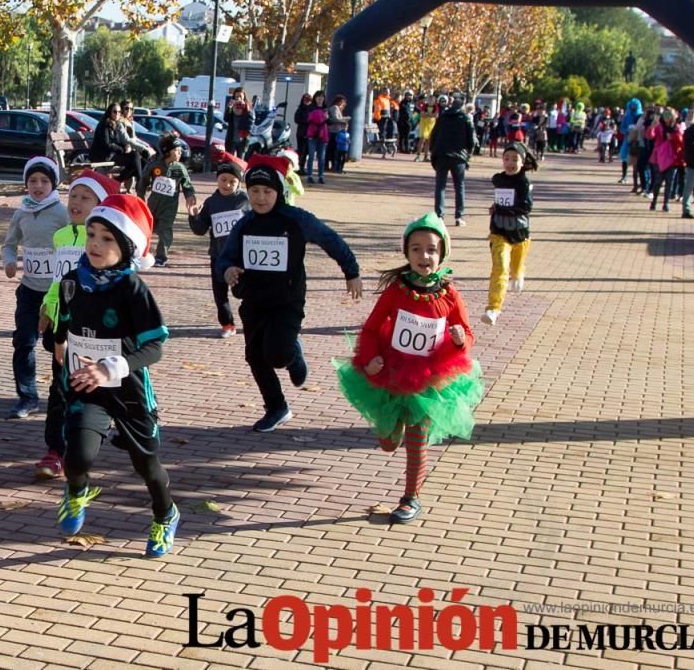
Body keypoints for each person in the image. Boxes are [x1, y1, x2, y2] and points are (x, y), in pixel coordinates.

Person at [52, 194, 179, 557]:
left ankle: (165, 514)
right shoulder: (73, 279)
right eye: (92, 234)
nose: (95, 244)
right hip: (85, 387)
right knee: (76, 457)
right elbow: (66, 321)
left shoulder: (133, 290)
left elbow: (155, 348)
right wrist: (59, 341)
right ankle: (76, 493)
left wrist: (111, 365)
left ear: (126, 246)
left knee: (148, 466)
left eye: (107, 238)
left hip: (127, 390)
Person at [335, 212, 483, 524]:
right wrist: (370, 360)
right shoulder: (396, 291)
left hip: (431, 379)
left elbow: (467, 334)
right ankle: (392, 432)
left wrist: (459, 340)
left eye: (431, 249)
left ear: (441, 254)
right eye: (415, 248)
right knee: (389, 443)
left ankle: (410, 497)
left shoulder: (450, 293)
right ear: (407, 253)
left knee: (418, 441)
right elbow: (373, 329)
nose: (423, 255)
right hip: (392, 370)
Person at [217, 154, 362, 432]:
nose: (260, 198)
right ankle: (276, 407)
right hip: (253, 300)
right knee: (256, 357)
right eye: (254, 191)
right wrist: (228, 271)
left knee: (278, 355)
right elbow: (226, 258)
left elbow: (331, 239)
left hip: (287, 301)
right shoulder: (244, 223)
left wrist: (351, 271)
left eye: (267, 191)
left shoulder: (297, 219)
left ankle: (294, 353)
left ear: (279, 191)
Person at [34, 170, 121, 480]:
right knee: (59, 390)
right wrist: (47, 305)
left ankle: (117, 425)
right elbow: (58, 280)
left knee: (97, 388)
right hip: (61, 326)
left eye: (86, 198)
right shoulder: (61, 236)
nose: (76, 203)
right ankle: (55, 450)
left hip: (93, 333)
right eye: (73, 196)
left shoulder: (102, 241)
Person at [1, 157, 70, 419]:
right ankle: (27, 397)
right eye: (32, 181)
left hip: (56, 292)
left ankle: (60, 394)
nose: (38, 186)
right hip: (29, 289)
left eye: (44, 181)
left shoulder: (62, 213)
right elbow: (9, 244)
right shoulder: (22, 213)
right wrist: (9, 262)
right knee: (23, 342)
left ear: (53, 184)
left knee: (56, 345)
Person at [187, 151, 249, 338]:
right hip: (218, 255)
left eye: (232, 181)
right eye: (223, 180)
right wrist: (193, 215)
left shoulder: (245, 200)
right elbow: (200, 229)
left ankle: (251, 320)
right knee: (220, 293)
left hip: (241, 257)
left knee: (243, 292)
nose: (227, 185)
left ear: (239, 182)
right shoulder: (211, 202)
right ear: (217, 180)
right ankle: (227, 323)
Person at [481, 142, 539, 326]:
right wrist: (496, 208)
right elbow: (500, 199)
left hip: (520, 234)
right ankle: (493, 309)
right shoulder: (498, 179)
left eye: (515, 159)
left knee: (514, 268)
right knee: (499, 268)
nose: (510, 162)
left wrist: (504, 209)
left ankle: (519, 273)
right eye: (507, 158)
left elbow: (526, 207)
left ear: (522, 162)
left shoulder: (524, 182)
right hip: (499, 232)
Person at [137, 133, 197, 267]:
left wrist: (190, 196)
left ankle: (161, 256)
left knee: (165, 229)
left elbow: (187, 184)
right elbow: (143, 181)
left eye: (181, 151)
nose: (180, 153)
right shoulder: (154, 166)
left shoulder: (180, 168)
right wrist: (140, 196)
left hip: (170, 205)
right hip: (153, 203)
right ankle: (140, 251)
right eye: (177, 150)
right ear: (167, 152)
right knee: (147, 227)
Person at [429, 93, 476, 226]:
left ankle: (439, 216)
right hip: (459, 157)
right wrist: (469, 154)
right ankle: (459, 216)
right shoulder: (466, 118)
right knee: (459, 187)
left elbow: (434, 134)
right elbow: (471, 139)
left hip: (442, 156)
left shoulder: (443, 117)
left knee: (440, 187)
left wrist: (433, 152)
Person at [90, 103, 142, 190]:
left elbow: (118, 141)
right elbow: (107, 144)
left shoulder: (117, 124)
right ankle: (139, 182)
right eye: (114, 111)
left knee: (136, 157)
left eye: (119, 112)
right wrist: (123, 150)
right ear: (109, 112)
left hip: (112, 153)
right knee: (134, 158)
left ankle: (118, 181)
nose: (117, 114)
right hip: (103, 155)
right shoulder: (104, 125)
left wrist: (126, 146)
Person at [647, 107, 684, 212]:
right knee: (658, 182)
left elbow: (681, 139)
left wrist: (672, 137)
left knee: (670, 182)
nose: (667, 118)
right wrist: (652, 127)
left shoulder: (677, 127)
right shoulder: (659, 126)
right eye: (666, 116)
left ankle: (666, 203)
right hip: (659, 157)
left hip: (673, 158)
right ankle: (654, 201)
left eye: (670, 116)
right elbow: (650, 136)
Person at [306, 91, 329, 184]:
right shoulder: (311, 108)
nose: (320, 99)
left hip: (322, 135)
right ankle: (310, 175)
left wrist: (327, 118)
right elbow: (307, 120)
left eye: (322, 97)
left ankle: (320, 176)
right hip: (312, 134)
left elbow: (329, 122)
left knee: (321, 157)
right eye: (318, 97)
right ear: (315, 98)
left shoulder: (325, 109)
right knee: (311, 156)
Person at [225, 88, 254, 158]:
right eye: (236, 96)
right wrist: (229, 107)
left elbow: (251, 121)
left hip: (242, 140)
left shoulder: (247, 106)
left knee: (240, 161)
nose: (238, 98)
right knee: (229, 160)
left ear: (244, 96)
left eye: (240, 96)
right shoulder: (232, 106)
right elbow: (226, 119)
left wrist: (246, 109)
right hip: (231, 139)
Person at [326, 94, 351, 174]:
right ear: (340, 102)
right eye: (343, 102)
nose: (344, 104)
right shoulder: (335, 108)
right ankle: (333, 166)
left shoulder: (338, 108)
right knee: (333, 149)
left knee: (333, 150)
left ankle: (333, 165)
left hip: (336, 131)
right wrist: (346, 119)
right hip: (334, 131)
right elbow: (336, 118)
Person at [293, 93, 313, 173]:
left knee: (307, 151)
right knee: (301, 150)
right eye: (306, 99)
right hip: (302, 132)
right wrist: (306, 121)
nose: (307, 101)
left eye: (309, 99)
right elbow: (297, 119)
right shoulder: (300, 109)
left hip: (310, 132)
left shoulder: (311, 109)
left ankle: (302, 166)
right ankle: (299, 167)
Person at [415, 98, 437, 163]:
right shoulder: (425, 106)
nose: (430, 101)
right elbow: (422, 114)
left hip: (431, 125)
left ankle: (426, 156)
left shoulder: (435, 107)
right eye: (430, 100)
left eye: (432, 100)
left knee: (428, 141)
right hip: (424, 124)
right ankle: (418, 156)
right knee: (422, 139)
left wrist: (427, 114)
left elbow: (436, 115)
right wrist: (430, 115)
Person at [397, 89, 415, 154]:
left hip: (409, 122)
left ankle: (407, 148)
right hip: (402, 122)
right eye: (407, 95)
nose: (409, 96)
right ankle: (402, 148)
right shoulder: (403, 103)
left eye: (410, 95)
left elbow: (416, 110)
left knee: (407, 136)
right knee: (402, 136)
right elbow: (405, 111)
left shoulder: (412, 103)